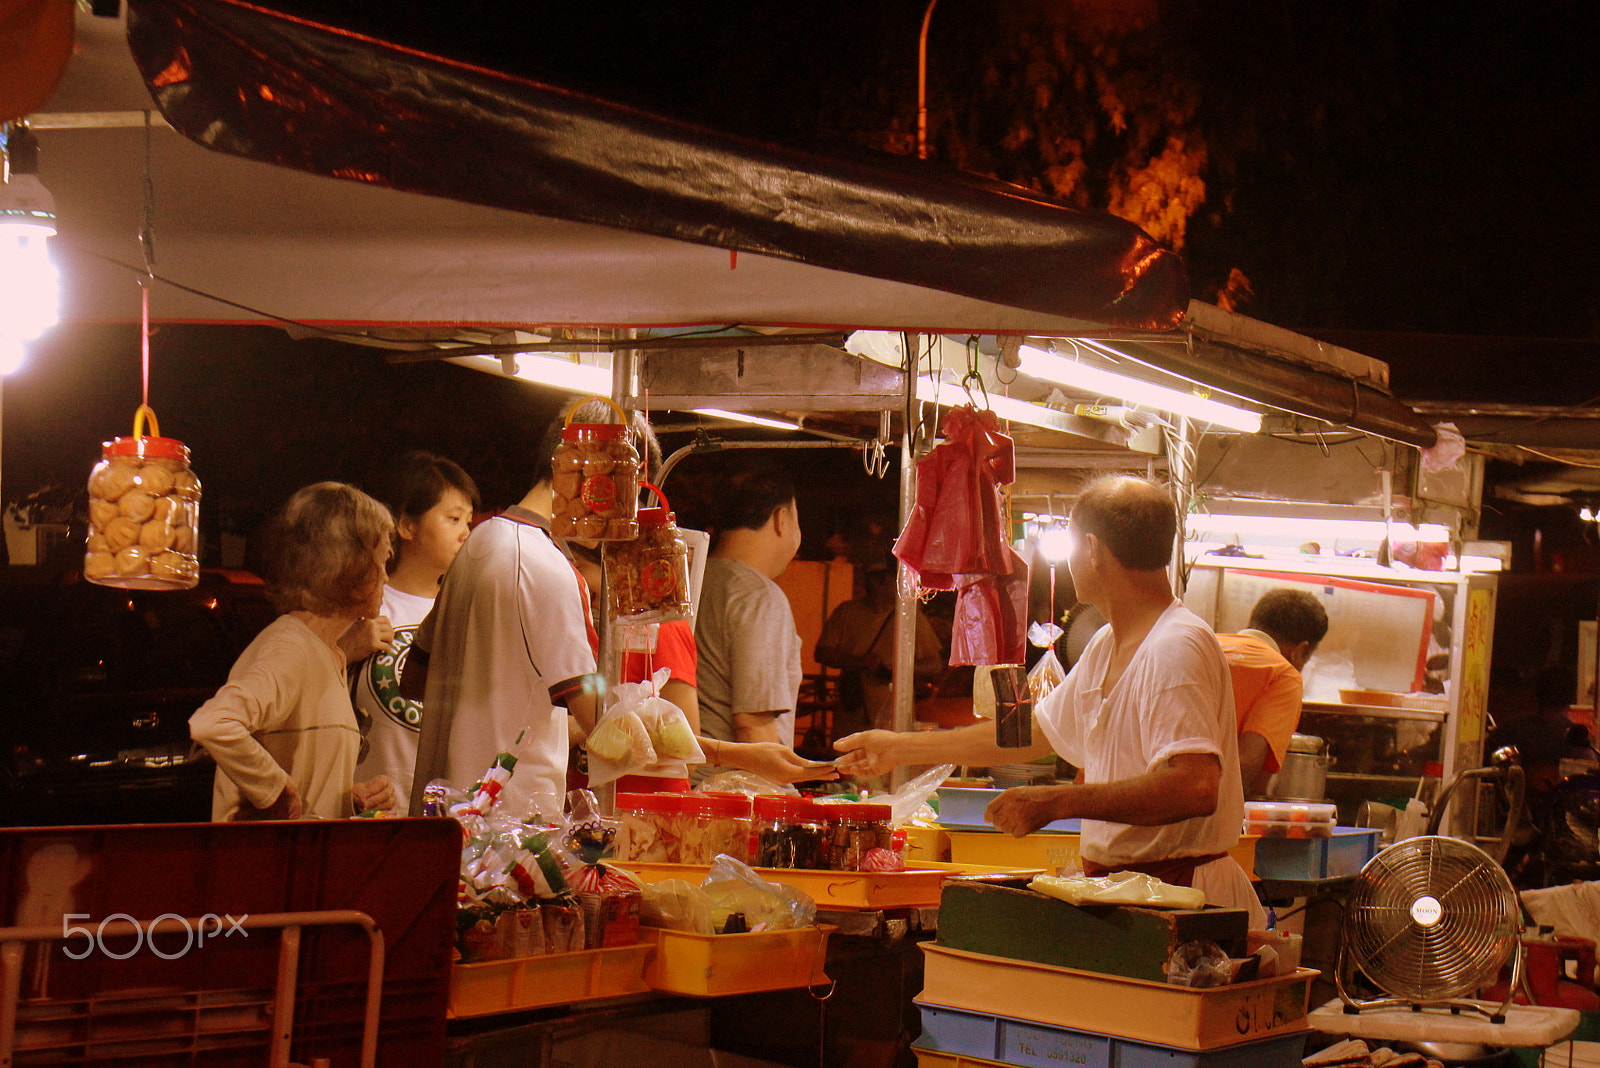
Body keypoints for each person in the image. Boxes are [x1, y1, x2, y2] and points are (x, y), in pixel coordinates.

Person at [836, 475, 1262, 925]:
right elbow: (1032, 734)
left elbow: (1194, 787)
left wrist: (1057, 803)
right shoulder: (1106, 643)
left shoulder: (1175, 646)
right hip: (1135, 892)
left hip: (1186, 900)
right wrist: (899, 748)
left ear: (1093, 550)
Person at [406, 419, 600, 817]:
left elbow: (414, 678)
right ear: (583, 469)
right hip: (508, 839)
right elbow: (602, 727)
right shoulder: (550, 567)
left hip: (442, 823)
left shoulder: (476, 543)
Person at [190, 482, 399, 821]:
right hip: (266, 869)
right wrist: (274, 791)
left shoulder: (326, 654)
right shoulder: (290, 648)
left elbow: (298, 771)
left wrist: (350, 799)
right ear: (352, 567)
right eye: (382, 560)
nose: (386, 577)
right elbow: (214, 723)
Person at [351, 450, 481, 810]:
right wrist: (346, 649)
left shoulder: (466, 612)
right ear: (407, 527)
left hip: (445, 813)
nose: (465, 534)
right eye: (453, 519)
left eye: (468, 522)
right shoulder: (366, 608)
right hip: (372, 806)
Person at [693, 466, 806, 775]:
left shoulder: (687, 581)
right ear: (781, 519)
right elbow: (754, 729)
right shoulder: (758, 597)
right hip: (733, 796)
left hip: (682, 785)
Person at [814, 555, 943, 735]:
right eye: (895, 579)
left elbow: (934, 665)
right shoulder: (847, 613)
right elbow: (822, 653)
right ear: (879, 581)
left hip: (894, 716)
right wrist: (859, 662)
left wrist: (896, 670)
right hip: (853, 715)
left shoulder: (910, 618)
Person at [1220, 588, 1329, 795]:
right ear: (1299, 651)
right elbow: (1245, 764)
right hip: (1204, 810)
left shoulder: (1202, 645)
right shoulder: (1283, 675)